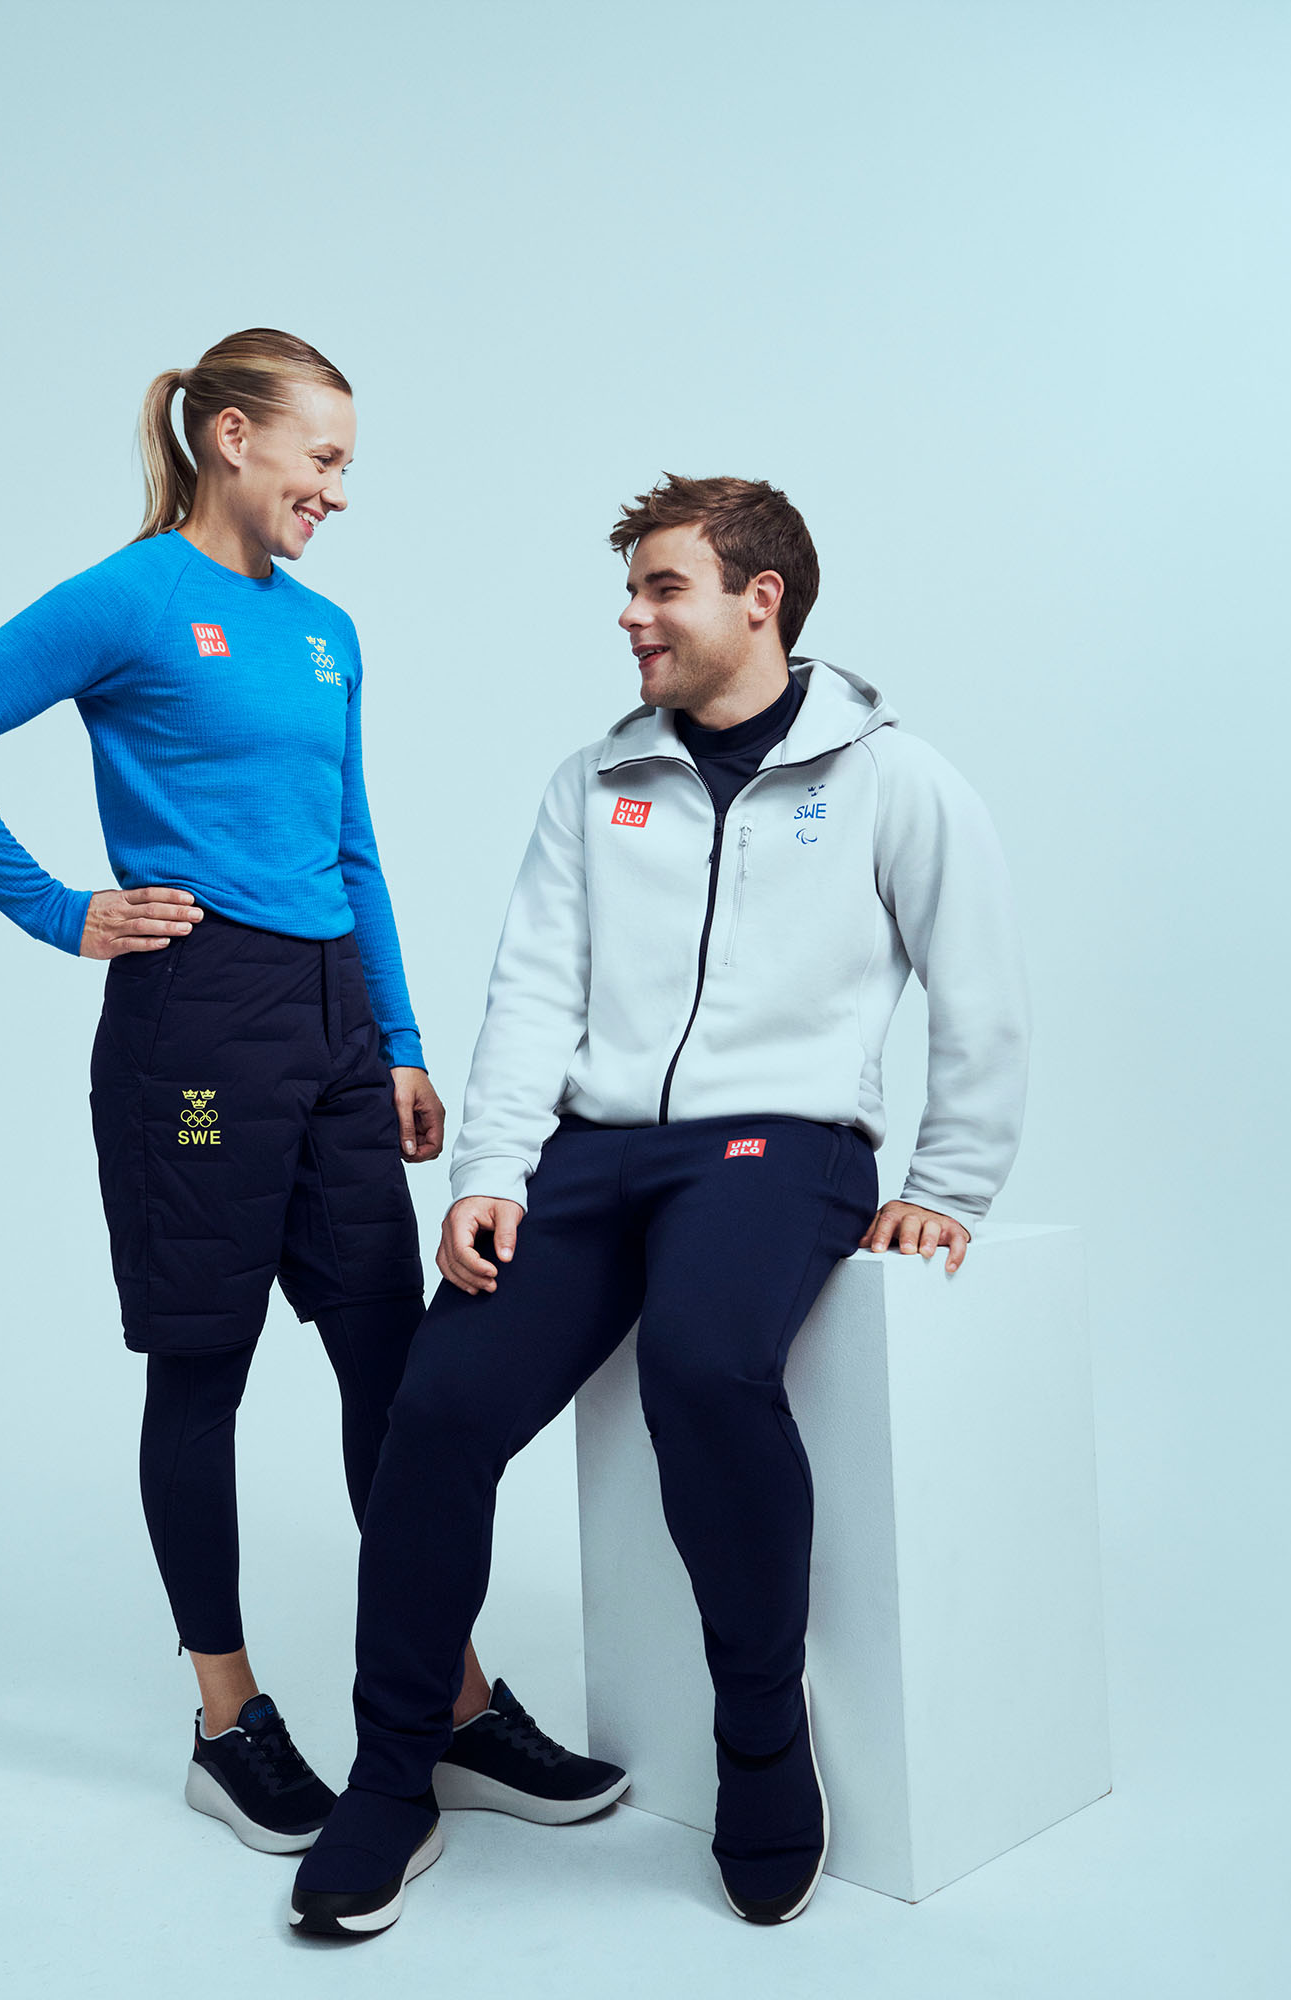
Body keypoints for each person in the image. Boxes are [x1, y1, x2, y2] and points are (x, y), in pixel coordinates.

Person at [0, 329, 625, 1856]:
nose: (338, 490)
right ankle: (230, 1725)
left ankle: (452, 1702)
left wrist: (397, 1038)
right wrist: (58, 909)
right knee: (202, 1367)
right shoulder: (134, 597)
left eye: (346, 465)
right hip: (198, 1032)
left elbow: (352, 841)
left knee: (393, 1369)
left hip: (334, 1026)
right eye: (322, 457)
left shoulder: (329, 631)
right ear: (230, 437)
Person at [290, 474, 1031, 1935]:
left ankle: (761, 1737)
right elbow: (532, 988)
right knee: (438, 1406)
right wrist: (490, 1171)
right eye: (630, 590)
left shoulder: (892, 778)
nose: (631, 617)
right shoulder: (596, 779)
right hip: (594, 1151)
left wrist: (949, 1185)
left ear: (761, 599)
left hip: (785, 1144)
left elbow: (982, 988)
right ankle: (395, 1769)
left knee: (703, 1365)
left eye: (662, 588)